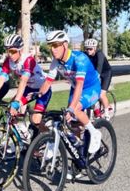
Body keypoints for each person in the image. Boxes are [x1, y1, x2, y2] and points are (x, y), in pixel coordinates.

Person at [37, 30, 103, 160]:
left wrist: (72, 108)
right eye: (51, 46)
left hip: (91, 88)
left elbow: (80, 85)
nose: (52, 49)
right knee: (71, 123)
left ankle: (94, 133)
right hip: (75, 88)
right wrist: (37, 94)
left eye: (56, 45)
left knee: (75, 110)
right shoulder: (56, 62)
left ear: (65, 45)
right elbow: (48, 82)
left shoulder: (79, 59)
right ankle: (79, 155)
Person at [0, 33, 51, 143]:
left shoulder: (28, 60)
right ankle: (23, 133)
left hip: (42, 90)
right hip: (29, 89)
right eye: (8, 51)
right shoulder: (8, 61)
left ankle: (50, 137)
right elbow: (0, 79)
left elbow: (23, 82)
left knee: (36, 120)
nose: (10, 54)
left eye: (13, 51)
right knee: (10, 110)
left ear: (20, 50)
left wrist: (16, 102)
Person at [83, 38, 114, 118]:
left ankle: (107, 114)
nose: (88, 51)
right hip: (95, 73)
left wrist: (96, 77)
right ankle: (97, 111)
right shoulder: (85, 54)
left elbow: (99, 66)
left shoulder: (99, 54)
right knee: (91, 93)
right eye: (87, 49)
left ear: (95, 48)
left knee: (101, 94)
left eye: (90, 49)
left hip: (106, 73)